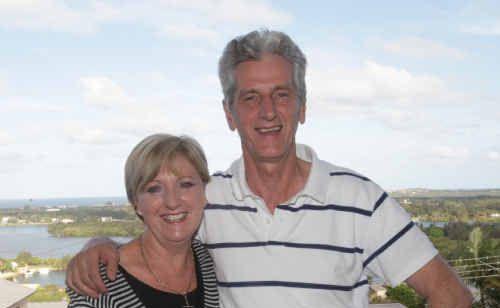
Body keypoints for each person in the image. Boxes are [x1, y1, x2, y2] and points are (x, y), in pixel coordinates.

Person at [66, 30, 472, 307]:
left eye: (281, 94)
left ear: (303, 106)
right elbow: (159, 235)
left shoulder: (359, 200)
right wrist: (97, 243)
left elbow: (451, 295)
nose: (267, 113)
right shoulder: (209, 200)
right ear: (229, 113)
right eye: (250, 98)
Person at [66, 134, 219, 308]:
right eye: (154, 189)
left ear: (205, 192)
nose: (172, 201)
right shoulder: (98, 286)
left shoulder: (208, 262)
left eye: (185, 184)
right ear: (136, 203)